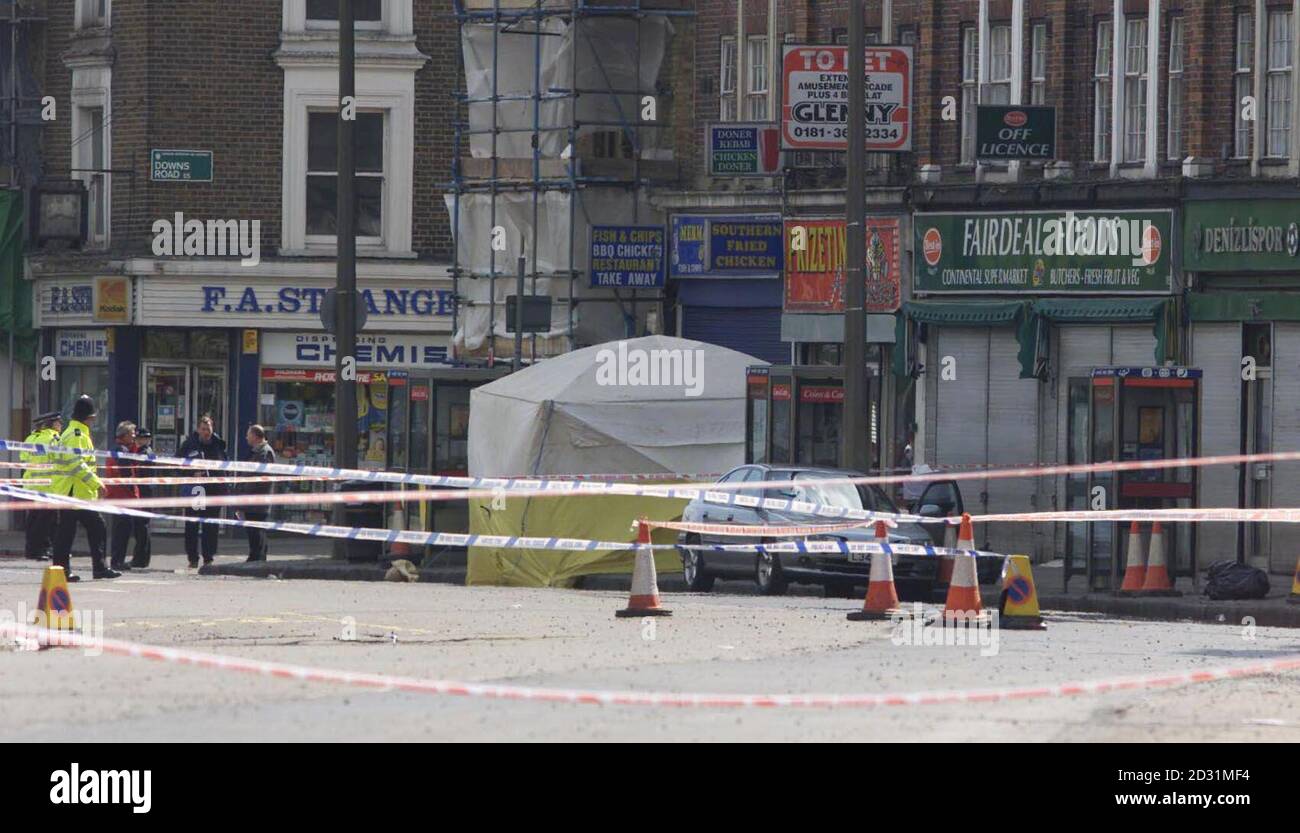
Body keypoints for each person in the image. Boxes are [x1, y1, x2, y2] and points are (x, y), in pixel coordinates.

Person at [51, 395, 117, 582]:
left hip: (77, 493)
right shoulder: (76, 435)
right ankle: (64, 571)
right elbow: (76, 465)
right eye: (93, 416)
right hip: (73, 493)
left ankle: (97, 568)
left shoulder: (75, 433)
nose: (94, 419)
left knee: (91, 529)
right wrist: (97, 483)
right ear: (88, 417)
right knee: (70, 533)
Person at [179, 414, 227, 568]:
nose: (206, 432)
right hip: (196, 490)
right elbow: (176, 464)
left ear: (212, 429)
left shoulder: (218, 445)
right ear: (198, 430)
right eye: (203, 429)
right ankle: (192, 558)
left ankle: (209, 558)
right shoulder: (189, 445)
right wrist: (191, 474)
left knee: (210, 526)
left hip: (214, 490)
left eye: (209, 429)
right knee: (192, 525)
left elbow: (224, 466)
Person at [104, 421, 147, 572]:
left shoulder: (122, 449)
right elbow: (126, 473)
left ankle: (118, 560)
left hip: (121, 496)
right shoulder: (121, 450)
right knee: (121, 531)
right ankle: (117, 561)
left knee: (123, 530)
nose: (135, 436)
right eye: (132, 434)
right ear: (125, 435)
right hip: (122, 496)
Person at [20, 411, 63, 561]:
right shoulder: (54, 439)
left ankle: (31, 550)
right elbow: (59, 460)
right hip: (47, 487)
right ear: (52, 423)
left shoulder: (30, 438)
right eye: (58, 422)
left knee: (33, 520)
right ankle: (42, 550)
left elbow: (23, 458)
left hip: (30, 486)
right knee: (47, 521)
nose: (60, 425)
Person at [237, 424, 276, 562]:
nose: (246, 437)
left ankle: (257, 558)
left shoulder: (264, 452)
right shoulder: (257, 452)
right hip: (252, 500)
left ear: (255, 436)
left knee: (257, 531)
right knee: (254, 531)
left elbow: (260, 478)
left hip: (257, 501)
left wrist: (244, 490)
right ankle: (255, 557)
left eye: (248, 434)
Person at [129, 428, 154, 568]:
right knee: (141, 526)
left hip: (144, 492)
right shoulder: (141, 452)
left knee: (141, 527)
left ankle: (140, 559)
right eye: (137, 438)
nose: (138, 441)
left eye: (142, 439)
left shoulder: (144, 454)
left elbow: (140, 473)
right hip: (144, 492)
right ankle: (141, 559)